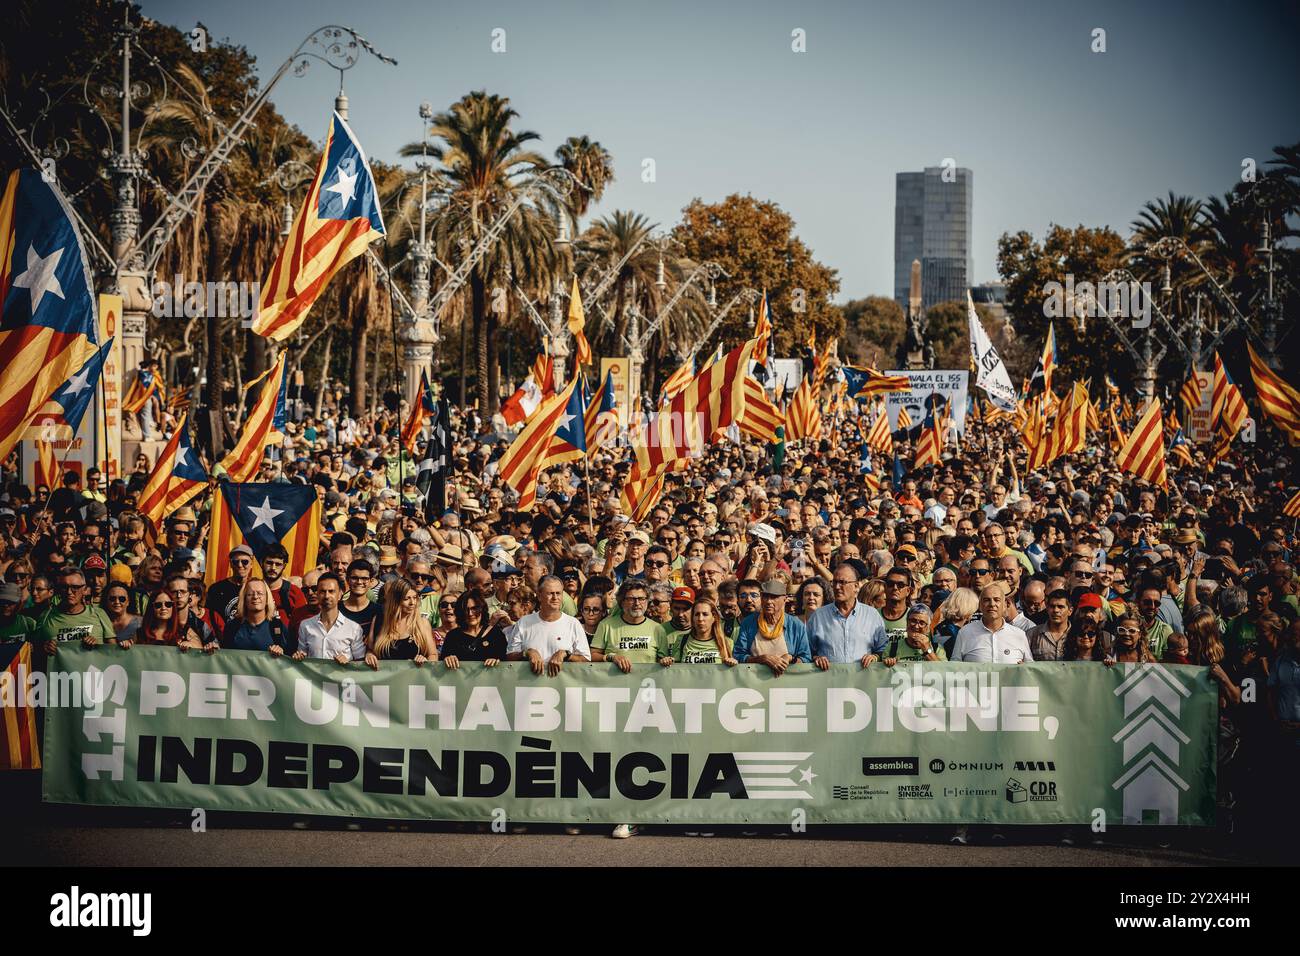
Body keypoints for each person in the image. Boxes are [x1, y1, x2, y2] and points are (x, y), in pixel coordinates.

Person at [505, 575, 590, 675]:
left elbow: (586, 660)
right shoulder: (524, 622)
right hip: (528, 686)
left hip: (562, 687)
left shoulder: (573, 623)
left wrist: (566, 654)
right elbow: (509, 657)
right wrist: (527, 652)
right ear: (539, 595)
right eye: (550, 593)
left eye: (558, 593)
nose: (555, 598)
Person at [807, 562, 887, 670]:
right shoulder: (818, 616)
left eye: (842, 582)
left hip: (862, 683)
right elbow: (806, 651)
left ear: (856, 586)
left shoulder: (872, 615)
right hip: (829, 683)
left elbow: (883, 649)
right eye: (834, 582)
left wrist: (875, 657)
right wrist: (816, 658)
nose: (837, 587)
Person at [590, 578, 673, 673]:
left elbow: (662, 662)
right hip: (615, 685)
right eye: (631, 599)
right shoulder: (606, 625)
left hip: (645, 684)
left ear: (647, 601)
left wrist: (665, 661)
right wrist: (612, 657)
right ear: (622, 601)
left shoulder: (658, 629)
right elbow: (592, 656)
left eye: (641, 599)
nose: (637, 603)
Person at [733, 578, 812, 676]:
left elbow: (806, 658)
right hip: (754, 682)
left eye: (774, 597)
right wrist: (761, 659)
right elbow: (738, 655)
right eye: (765, 596)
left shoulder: (796, 625)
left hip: (787, 684)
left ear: (784, 599)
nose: (769, 601)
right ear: (761, 598)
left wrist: (790, 658)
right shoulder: (749, 623)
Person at [35, 569, 117, 655]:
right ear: (59, 590)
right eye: (64, 587)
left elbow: (114, 652)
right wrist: (43, 648)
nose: (69, 592)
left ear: (84, 589)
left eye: (75, 587)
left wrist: (98, 647)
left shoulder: (98, 613)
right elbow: (32, 650)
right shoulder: (46, 616)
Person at [950, 584, 1033, 663]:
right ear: (980, 606)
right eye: (986, 600)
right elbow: (955, 667)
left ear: (1005, 605)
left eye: (997, 600)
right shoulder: (965, 633)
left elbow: (1029, 668)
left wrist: (1023, 668)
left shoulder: (1019, 635)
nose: (992, 604)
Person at [365, 577, 437, 667]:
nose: (412, 602)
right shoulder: (379, 620)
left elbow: (433, 655)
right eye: (406, 599)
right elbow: (370, 649)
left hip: (412, 678)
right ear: (395, 601)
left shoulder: (422, 623)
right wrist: (370, 655)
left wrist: (425, 660)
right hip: (385, 678)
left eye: (415, 598)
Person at [296, 572, 366, 663]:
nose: (326, 596)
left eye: (331, 591)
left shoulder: (354, 628)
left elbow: (361, 662)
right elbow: (302, 656)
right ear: (317, 594)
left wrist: (348, 662)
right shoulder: (305, 625)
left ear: (340, 594)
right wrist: (298, 656)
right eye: (322, 591)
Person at [222, 579, 290, 655]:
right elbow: (223, 658)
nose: (255, 597)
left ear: (267, 598)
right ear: (244, 599)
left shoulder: (277, 626)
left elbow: (290, 657)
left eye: (260, 593)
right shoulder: (232, 626)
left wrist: (281, 652)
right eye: (250, 594)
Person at [441, 590, 507, 668]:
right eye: (466, 609)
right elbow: (442, 663)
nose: (470, 613)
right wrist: (448, 659)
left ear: (482, 609)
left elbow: (506, 663)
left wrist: (497, 660)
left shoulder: (496, 634)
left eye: (474, 608)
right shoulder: (453, 636)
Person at [670, 597, 737, 665]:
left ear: (714, 617)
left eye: (705, 614)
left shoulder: (727, 643)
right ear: (692, 618)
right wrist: (667, 662)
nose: (700, 619)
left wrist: (732, 663)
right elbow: (674, 670)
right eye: (697, 614)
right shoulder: (681, 640)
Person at [1027, 588, 1072, 661]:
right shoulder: (1032, 635)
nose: (1056, 610)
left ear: (1070, 611)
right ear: (1047, 609)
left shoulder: (1077, 635)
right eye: (1052, 606)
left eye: (1060, 607)